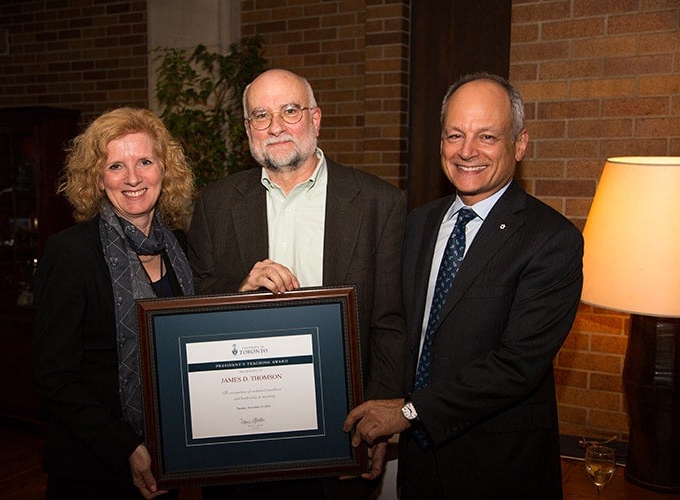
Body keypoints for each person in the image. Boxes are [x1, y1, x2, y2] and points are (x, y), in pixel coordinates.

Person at [343, 73, 584, 499]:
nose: (467, 151)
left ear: (520, 143)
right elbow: (399, 329)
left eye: (486, 136)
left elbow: (516, 366)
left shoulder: (551, 240)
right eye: (455, 135)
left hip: (499, 470)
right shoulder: (417, 223)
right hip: (418, 464)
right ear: (441, 143)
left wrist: (409, 412)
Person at [187, 68, 406, 498]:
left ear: (316, 118)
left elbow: (389, 324)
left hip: (341, 434)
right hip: (241, 434)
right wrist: (240, 288)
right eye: (261, 116)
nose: (276, 127)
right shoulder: (215, 204)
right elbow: (193, 304)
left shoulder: (380, 203)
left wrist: (376, 423)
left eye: (290, 111)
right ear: (248, 128)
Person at [33, 107, 195, 499]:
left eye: (144, 161)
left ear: (164, 170)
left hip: (168, 453)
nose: (133, 178)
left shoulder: (182, 250)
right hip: (93, 465)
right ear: (97, 177)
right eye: (116, 166)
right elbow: (53, 377)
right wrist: (124, 446)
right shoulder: (70, 253)